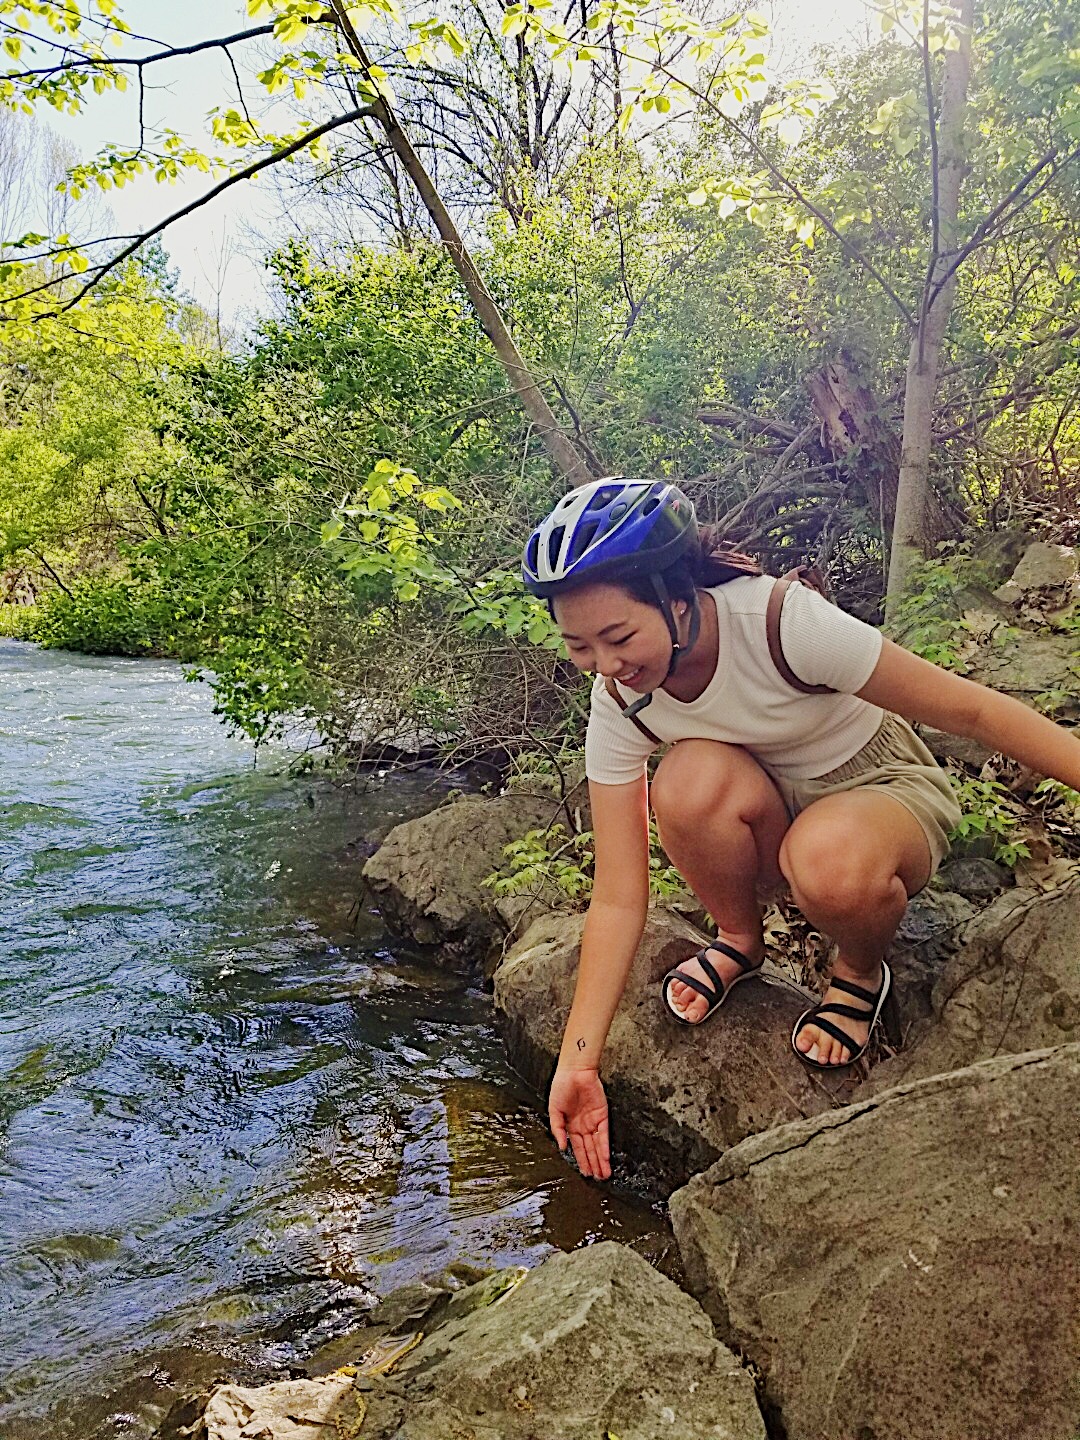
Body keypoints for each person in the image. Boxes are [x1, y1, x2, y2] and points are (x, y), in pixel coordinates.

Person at [521, 477, 1080, 1182]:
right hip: (769, 807)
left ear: (678, 596)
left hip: (878, 788)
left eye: (619, 636)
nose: (606, 666)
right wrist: (579, 1061)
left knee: (827, 860)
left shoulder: (782, 623)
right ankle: (740, 939)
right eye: (580, 647)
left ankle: (858, 971)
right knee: (684, 782)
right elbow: (617, 894)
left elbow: (973, 713)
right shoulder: (620, 702)